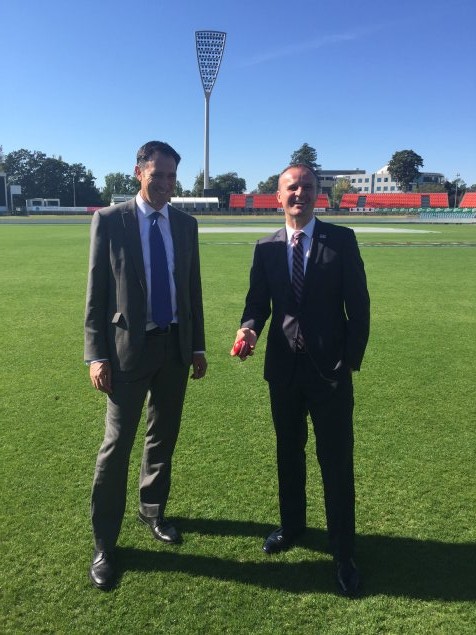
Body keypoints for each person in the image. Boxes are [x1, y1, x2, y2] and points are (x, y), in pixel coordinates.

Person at [231, 164, 370, 596]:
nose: (300, 194)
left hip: (330, 372)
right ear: (278, 196)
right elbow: (258, 303)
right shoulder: (266, 247)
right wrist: (249, 327)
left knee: (335, 461)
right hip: (284, 371)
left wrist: (349, 362)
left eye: (307, 188)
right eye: (292, 188)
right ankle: (292, 527)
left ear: (317, 196)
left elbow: (359, 306)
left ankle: (343, 552)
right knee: (288, 453)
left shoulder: (341, 240)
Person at [85, 140, 207, 591]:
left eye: (172, 177)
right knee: (116, 447)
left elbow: (191, 291)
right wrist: (96, 355)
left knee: (163, 436)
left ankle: (152, 510)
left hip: (174, 349)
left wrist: (197, 347)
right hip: (125, 354)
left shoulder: (185, 224)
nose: (165, 184)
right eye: (157, 175)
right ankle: (104, 543)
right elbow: (97, 294)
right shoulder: (111, 220)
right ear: (139, 172)